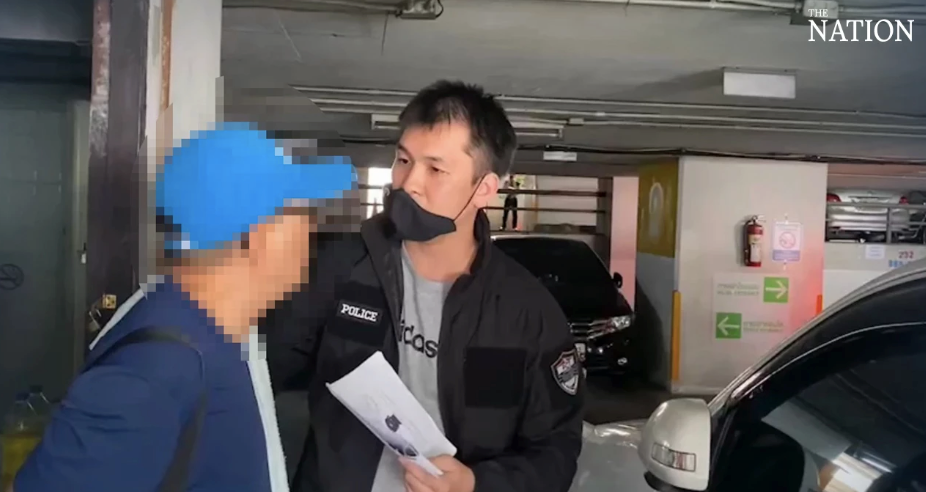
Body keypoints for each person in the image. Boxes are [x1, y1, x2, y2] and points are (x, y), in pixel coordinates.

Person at [268, 80, 584, 492]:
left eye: (435, 169)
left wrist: (476, 484)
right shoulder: (339, 267)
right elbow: (264, 372)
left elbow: (555, 453)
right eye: (403, 160)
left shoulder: (526, 313)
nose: (408, 183)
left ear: (485, 189)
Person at [9, 124, 356, 492]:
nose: (312, 230)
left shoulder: (226, 333)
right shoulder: (155, 369)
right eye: (302, 214)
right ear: (258, 235)